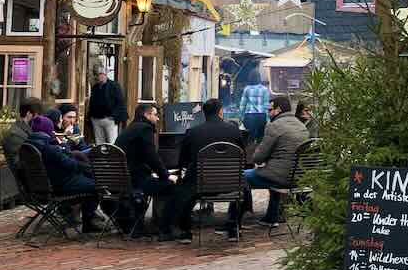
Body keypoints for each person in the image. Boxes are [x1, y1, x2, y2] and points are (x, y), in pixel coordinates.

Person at [224, 94, 307, 237]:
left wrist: (262, 158)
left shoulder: (274, 126)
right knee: (275, 171)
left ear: (278, 110)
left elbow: (258, 157)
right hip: (296, 177)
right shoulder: (301, 126)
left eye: (270, 110)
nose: (268, 113)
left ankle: (232, 223)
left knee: (240, 177)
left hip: (279, 177)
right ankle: (271, 217)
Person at [177, 98, 246, 240]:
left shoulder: (193, 132)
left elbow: (183, 161)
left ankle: (185, 231)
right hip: (231, 184)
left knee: (182, 187)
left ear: (204, 113)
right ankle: (234, 227)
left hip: (200, 185)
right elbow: (242, 156)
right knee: (245, 186)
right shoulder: (234, 130)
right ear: (221, 111)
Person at [27, 114, 101, 233]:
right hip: (61, 186)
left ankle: (82, 217)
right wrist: (63, 145)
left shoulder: (31, 144)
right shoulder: (50, 148)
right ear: (48, 130)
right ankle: (88, 223)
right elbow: (71, 165)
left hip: (45, 185)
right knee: (97, 185)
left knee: (87, 174)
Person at [115, 103, 175, 238]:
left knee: (159, 182)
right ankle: (162, 225)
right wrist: (166, 175)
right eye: (155, 115)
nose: (157, 119)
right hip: (135, 182)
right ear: (147, 115)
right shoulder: (145, 129)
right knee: (169, 186)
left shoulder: (130, 128)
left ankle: (141, 223)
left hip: (121, 180)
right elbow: (152, 157)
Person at [2, 97, 43, 178]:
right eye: (37, 116)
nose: (38, 120)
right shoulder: (15, 134)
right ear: (29, 113)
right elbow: (19, 164)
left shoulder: (23, 130)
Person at [87, 69, 128, 145]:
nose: (99, 76)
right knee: (99, 143)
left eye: (101, 74)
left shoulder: (114, 85)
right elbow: (92, 103)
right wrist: (91, 117)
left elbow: (120, 102)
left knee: (112, 142)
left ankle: (112, 154)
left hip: (109, 119)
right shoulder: (95, 87)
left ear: (106, 75)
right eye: (97, 75)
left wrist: (114, 116)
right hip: (96, 119)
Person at [240, 73, 271, 144]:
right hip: (261, 115)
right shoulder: (265, 89)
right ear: (259, 78)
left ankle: (249, 149)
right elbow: (266, 105)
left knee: (249, 138)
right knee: (260, 138)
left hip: (249, 115)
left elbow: (242, 104)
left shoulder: (247, 89)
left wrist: (241, 116)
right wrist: (267, 118)